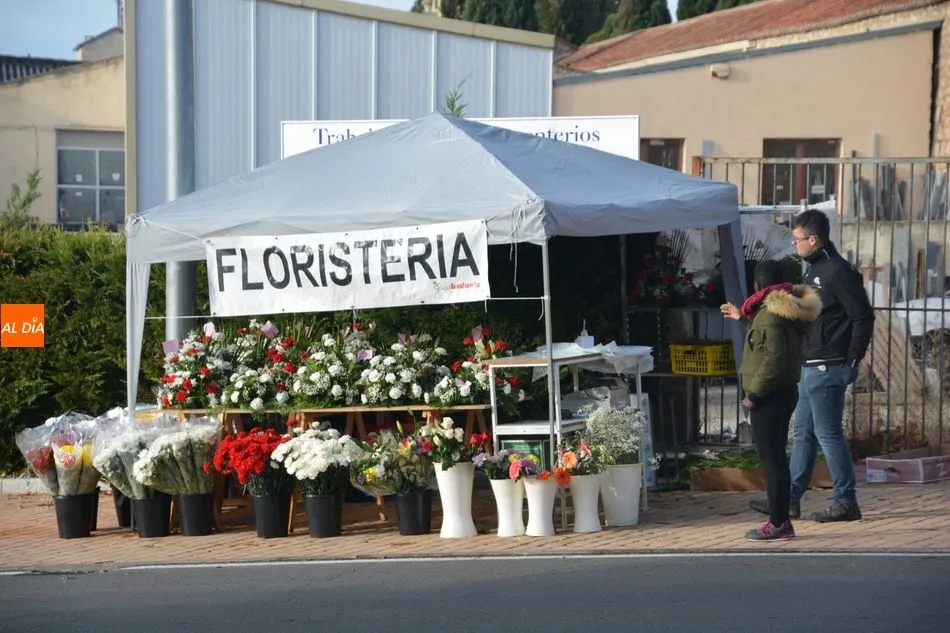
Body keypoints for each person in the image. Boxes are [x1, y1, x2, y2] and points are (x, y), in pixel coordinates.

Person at [747, 210, 874, 523]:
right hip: (810, 363)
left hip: (829, 365)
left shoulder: (837, 271)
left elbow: (863, 316)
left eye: (798, 240)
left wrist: (851, 359)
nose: (795, 246)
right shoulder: (814, 269)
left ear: (813, 239)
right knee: (803, 432)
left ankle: (846, 500)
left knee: (828, 433)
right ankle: (789, 497)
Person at [722, 260, 821, 541]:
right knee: (776, 458)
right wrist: (743, 317)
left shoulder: (770, 314)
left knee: (773, 461)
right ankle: (780, 518)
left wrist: (754, 393)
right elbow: (772, 343)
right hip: (785, 390)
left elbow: (773, 358)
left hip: (769, 395)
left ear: (757, 285)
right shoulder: (785, 309)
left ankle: (779, 522)